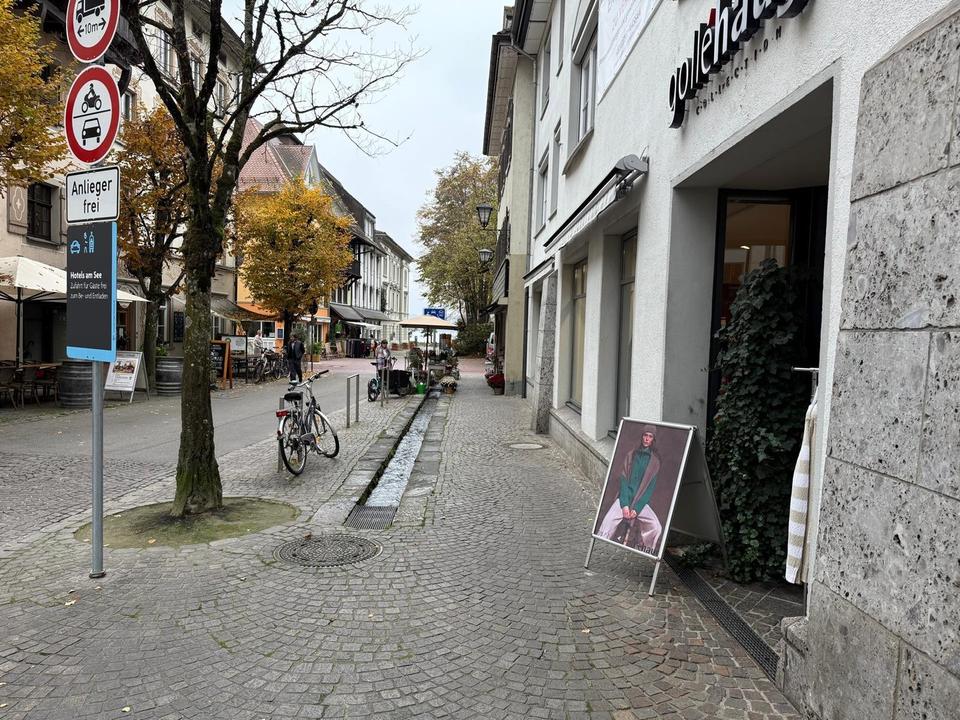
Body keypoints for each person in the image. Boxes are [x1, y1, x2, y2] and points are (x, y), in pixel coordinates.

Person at [596, 425, 663, 553]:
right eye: (645, 435)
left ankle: (644, 550)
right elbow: (624, 480)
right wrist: (625, 505)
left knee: (656, 526)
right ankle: (600, 547)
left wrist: (636, 509)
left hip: (640, 503)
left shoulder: (655, 462)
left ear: (653, 439)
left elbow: (649, 490)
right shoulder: (631, 455)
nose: (647, 439)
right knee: (608, 520)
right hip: (625, 499)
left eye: (650, 436)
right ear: (642, 436)